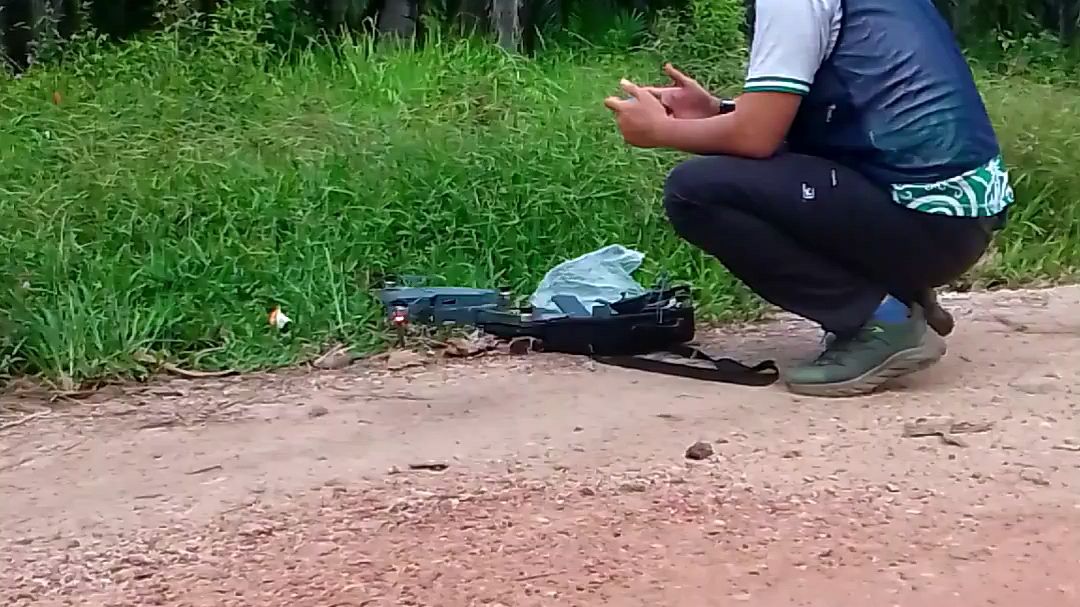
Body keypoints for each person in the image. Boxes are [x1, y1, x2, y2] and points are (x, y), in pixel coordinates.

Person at [603, 0, 1013, 397]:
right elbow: (826, 107)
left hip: (923, 219)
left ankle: (882, 321)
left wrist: (658, 131)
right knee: (769, 169)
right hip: (955, 217)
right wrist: (718, 110)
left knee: (695, 191)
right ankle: (901, 291)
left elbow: (755, 137)